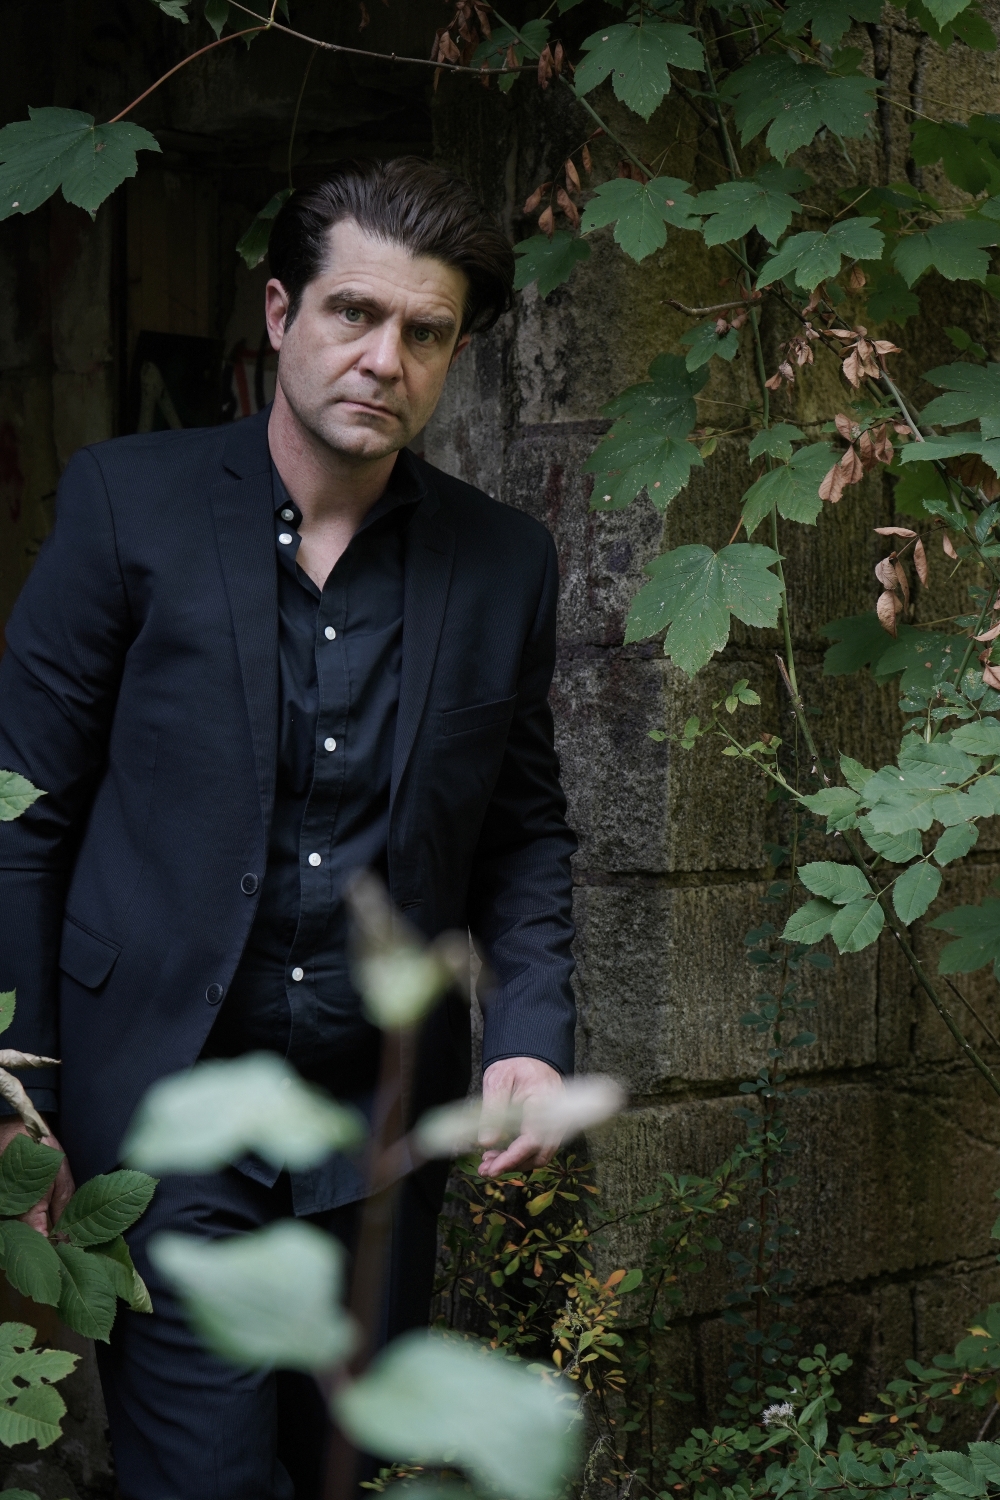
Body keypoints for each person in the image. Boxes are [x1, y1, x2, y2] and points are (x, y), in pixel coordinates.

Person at [0, 158, 577, 1499]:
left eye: (425, 332)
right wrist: (17, 1088)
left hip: (375, 1127)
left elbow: (523, 833)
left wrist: (532, 1034)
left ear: (454, 355)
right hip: (163, 1109)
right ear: (280, 314)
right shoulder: (124, 506)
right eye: (353, 313)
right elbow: (20, 810)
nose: (384, 359)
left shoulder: (504, 563)